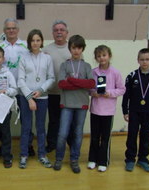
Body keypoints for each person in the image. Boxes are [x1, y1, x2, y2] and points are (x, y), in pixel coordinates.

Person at [53, 35, 95, 173]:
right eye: (73, 48)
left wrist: (71, 80)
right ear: (70, 48)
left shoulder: (87, 66)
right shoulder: (64, 65)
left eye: (79, 48)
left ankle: (74, 160)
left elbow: (91, 83)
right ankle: (58, 158)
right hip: (66, 104)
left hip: (82, 105)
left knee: (77, 134)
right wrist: (80, 84)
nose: (76, 51)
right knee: (62, 134)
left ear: (82, 49)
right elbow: (62, 84)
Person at [0, 18, 35, 156]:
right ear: (4, 30)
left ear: (18, 30)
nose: (11, 30)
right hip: (5, 90)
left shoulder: (26, 46)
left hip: (23, 90)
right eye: (8, 28)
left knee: (26, 120)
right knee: (3, 120)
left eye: (13, 28)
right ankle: (3, 146)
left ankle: (28, 145)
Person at [18, 29, 55, 169]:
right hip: (25, 97)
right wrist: (29, 98)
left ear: (41, 42)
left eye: (38, 40)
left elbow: (52, 78)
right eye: (33, 40)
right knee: (26, 127)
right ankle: (23, 155)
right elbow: (20, 80)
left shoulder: (47, 58)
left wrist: (41, 90)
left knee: (40, 127)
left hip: (42, 97)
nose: (35, 43)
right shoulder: (23, 57)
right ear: (29, 42)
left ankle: (42, 155)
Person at [122, 48, 149, 172]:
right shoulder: (132, 76)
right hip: (134, 111)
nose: (144, 62)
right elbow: (126, 95)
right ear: (138, 60)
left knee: (145, 136)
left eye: (147, 59)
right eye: (142, 59)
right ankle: (130, 159)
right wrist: (125, 111)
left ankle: (143, 159)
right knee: (132, 136)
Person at [88, 45, 125, 172]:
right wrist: (94, 93)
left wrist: (109, 93)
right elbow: (89, 89)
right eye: (99, 56)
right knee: (94, 136)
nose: (101, 58)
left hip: (108, 111)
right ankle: (92, 159)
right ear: (96, 58)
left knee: (105, 138)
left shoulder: (115, 72)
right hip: (95, 109)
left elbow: (122, 89)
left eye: (104, 55)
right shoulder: (93, 72)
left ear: (109, 56)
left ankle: (103, 161)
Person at [42, 20, 71, 153]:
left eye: (62, 30)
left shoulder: (73, 48)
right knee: (53, 120)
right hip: (52, 92)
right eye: (56, 30)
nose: (59, 32)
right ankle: (52, 144)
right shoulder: (46, 50)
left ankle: (70, 144)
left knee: (70, 120)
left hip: (69, 93)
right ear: (52, 33)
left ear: (67, 33)